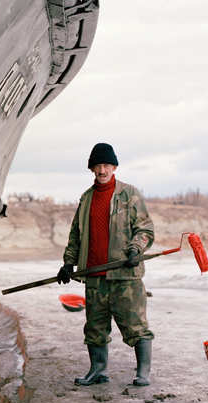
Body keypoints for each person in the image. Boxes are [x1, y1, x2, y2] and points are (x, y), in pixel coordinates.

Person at [57, 143, 154, 386]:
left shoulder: (129, 195)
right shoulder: (87, 198)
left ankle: (142, 373)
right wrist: (68, 264)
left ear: (114, 167)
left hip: (125, 276)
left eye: (106, 165)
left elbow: (145, 229)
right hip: (94, 277)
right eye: (97, 165)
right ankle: (97, 371)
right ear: (92, 169)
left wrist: (135, 249)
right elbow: (76, 235)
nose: (102, 170)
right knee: (95, 329)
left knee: (136, 326)